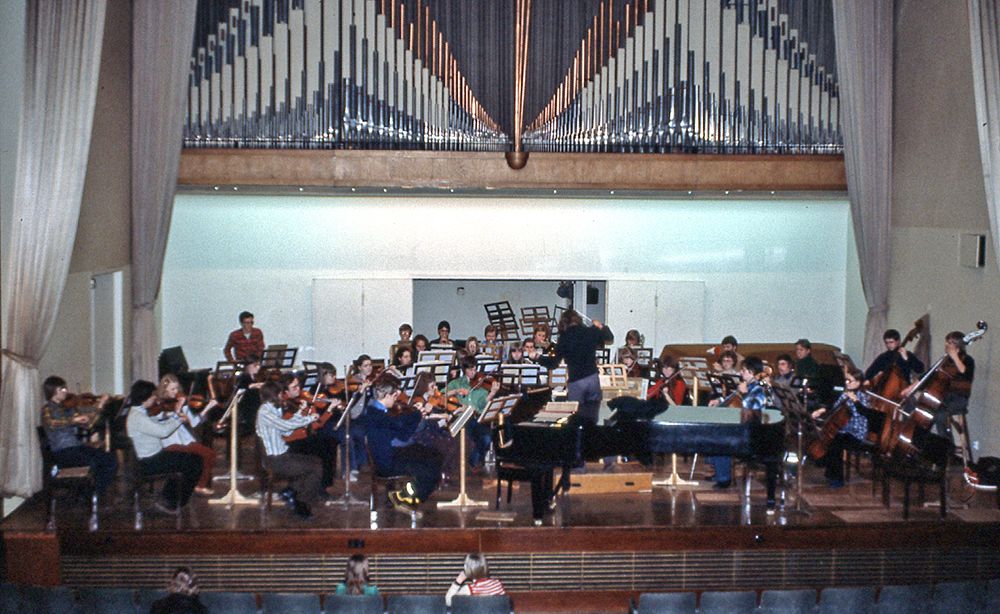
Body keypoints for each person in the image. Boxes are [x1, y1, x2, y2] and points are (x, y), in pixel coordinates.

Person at [365, 377, 443, 513]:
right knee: (425, 467)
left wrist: (419, 417)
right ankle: (406, 499)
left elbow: (403, 434)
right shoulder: (374, 413)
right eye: (394, 396)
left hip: (392, 454)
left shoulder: (382, 413)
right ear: (387, 395)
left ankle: (407, 498)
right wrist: (417, 414)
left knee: (435, 455)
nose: (395, 400)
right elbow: (398, 423)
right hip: (385, 462)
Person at [125, 380, 202, 512]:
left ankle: (168, 497)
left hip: (153, 456)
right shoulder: (137, 417)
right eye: (153, 395)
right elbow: (163, 432)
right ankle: (174, 502)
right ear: (146, 398)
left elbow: (155, 423)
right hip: (149, 462)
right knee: (195, 462)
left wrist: (172, 415)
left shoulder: (139, 412)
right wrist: (178, 419)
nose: (155, 398)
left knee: (188, 459)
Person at [255, 380, 325, 519]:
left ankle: (293, 493)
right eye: (280, 393)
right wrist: (309, 418)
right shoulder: (264, 411)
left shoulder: (273, 409)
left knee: (316, 462)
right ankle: (302, 503)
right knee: (314, 468)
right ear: (274, 395)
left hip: (282, 455)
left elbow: (286, 432)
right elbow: (285, 426)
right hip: (275, 460)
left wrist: (300, 412)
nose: (282, 396)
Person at [40, 376, 118, 497]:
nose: (66, 391)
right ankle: (86, 494)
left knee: (110, 458)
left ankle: (96, 492)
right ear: (53, 391)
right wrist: (73, 420)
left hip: (76, 447)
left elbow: (89, 425)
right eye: (62, 389)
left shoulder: (68, 408)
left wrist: (100, 406)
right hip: (61, 451)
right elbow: (52, 424)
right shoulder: (47, 409)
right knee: (91, 462)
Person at [539, 309, 614, 424]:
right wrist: (600, 326)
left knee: (576, 418)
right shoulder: (590, 331)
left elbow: (553, 363)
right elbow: (609, 337)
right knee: (592, 417)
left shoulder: (564, 338)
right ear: (578, 320)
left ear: (563, 323)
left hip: (576, 382)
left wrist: (537, 358)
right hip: (592, 379)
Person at [810, 367, 881, 488]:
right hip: (844, 429)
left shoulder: (862, 396)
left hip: (856, 433)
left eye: (850, 381)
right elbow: (835, 407)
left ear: (858, 383)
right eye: (847, 381)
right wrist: (821, 410)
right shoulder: (845, 394)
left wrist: (855, 401)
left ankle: (838, 479)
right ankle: (830, 472)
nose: (847, 383)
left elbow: (864, 412)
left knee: (836, 443)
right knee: (832, 439)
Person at [707, 356, 769, 489]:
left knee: (721, 441)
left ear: (753, 373)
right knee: (713, 433)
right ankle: (720, 472)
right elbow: (732, 397)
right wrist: (719, 401)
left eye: (744, 370)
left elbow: (753, 410)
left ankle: (724, 479)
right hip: (741, 427)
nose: (741, 372)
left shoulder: (759, 390)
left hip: (752, 431)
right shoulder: (746, 386)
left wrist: (745, 394)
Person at [156, 374, 218, 495]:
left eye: (176, 389)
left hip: (184, 440)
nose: (175, 392)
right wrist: (176, 411)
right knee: (195, 458)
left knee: (210, 454)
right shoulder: (160, 405)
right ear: (165, 390)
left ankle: (200, 485)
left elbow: (194, 423)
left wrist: (207, 408)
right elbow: (161, 421)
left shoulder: (181, 402)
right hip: (169, 442)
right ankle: (186, 486)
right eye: (172, 389)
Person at [280, 372, 339, 488]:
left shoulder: (302, 400)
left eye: (298, 385)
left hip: (303, 438)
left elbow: (316, 425)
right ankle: (318, 486)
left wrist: (329, 409)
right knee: (323, 448)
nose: (299, 389)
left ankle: (323, 485)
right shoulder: (284, 405)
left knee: (330, 443)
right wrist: (300, 413)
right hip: (289, 442)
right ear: (285, 391)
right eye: (294, 387)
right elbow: (288, 427)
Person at [446, 356, 501, 469]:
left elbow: (481, 405)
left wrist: (492, 394)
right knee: (470, 440)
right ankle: (469, 465)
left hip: (476, 419)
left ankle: (473, 463)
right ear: (464, 369)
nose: (473, 373)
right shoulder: (456, 383)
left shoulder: (480, 386)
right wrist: (456, 391)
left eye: (475, 369)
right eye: (470, 370)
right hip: (461, 419)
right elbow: (442, 395)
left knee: (486, 438)